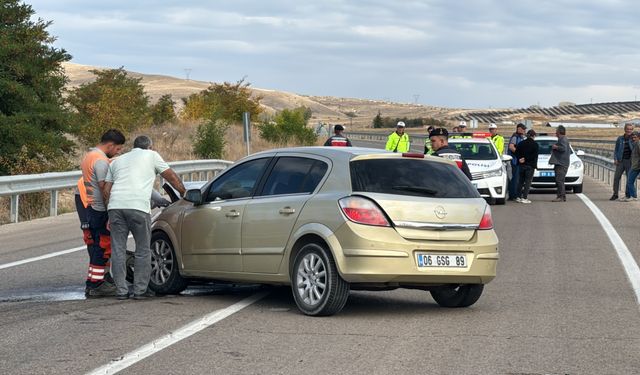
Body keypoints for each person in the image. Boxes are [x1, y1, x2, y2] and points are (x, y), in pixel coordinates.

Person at [104, 135, 186, 300]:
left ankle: (121, 291)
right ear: (149, 147)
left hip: (115, 207)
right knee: (142, 249)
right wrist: (184, 193)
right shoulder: (152, 155)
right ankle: (140, 290)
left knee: (118, 249)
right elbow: (171, 176)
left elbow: (106, 190)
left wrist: (109, 212)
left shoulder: (118, 161)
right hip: (138, 207)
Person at [80, 129, 126, 298]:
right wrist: (110, 209)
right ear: (110, 145)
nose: (118, 152)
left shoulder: (89, 156)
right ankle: (97, 285)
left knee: (97, 247)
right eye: (118, 148)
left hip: (91, 207)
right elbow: (103, 187)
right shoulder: (100, 161)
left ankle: (93, 282)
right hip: (100, 209)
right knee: (103, 247)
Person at [611, 123, 635, 201]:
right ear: (625, 129)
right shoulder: (620, 139)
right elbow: (616, 150)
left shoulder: (634, 139)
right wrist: (615, 159)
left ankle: (627, 195)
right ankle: (615, 194)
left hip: (630, 162)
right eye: (628, 129)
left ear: (632, 130)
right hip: (620, 161)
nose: (629, 131)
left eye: (631, 129)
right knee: (616, 178)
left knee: (629, 179)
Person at [514, 129, 539, 204]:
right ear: (533, 136)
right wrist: (526, 159)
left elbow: (516, 152)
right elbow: (534, 156)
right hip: (530, 165)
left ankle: (518, 197)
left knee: (520, 181)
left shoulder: (521, 143)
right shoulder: (535, 144)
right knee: (528, 182)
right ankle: (524, 197)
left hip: (521, 165)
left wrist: (520, 159)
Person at [549, 125, 570, 202]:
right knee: (560, 180)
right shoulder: (563, 139)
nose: (555, 133)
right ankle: (562, 196)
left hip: (561, 163)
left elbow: (563, 148)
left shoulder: (562, 139)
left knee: (559, 181)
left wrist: (555, 147)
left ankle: (560, 197)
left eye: (556, 131)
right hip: (562, 163)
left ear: (559, 132)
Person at [507, 123, 526, 200]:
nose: (524, 130)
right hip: (514, 161)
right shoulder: (515, 137)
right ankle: (513, 195)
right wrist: (519, 154)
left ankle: (515, 194)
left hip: (518, 161)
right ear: (519, 129)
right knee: (515, 178)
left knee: (517, 178)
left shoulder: (520, 137)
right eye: (523, 129)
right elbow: (511, 147)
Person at [624, 131, 640, 201]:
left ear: (638, 138)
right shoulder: (635, 144)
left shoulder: (638, 144)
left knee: (630, 181)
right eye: (632, 137)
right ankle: (633, 196)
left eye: (635, 137)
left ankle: (633, 196)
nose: (633, 139)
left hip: (636, 166)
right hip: (635, 165)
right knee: (630, 181)